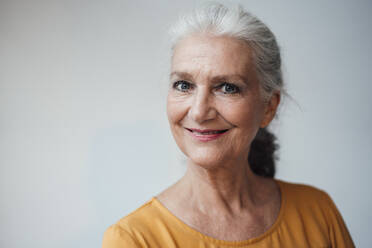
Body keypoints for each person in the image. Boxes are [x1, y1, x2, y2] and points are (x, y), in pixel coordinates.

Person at [102, 3, 355, 247]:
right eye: (184, 85)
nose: (199, 112)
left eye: (227, 88)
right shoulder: (133, 239)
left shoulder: (318, 213)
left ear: (268, 107)